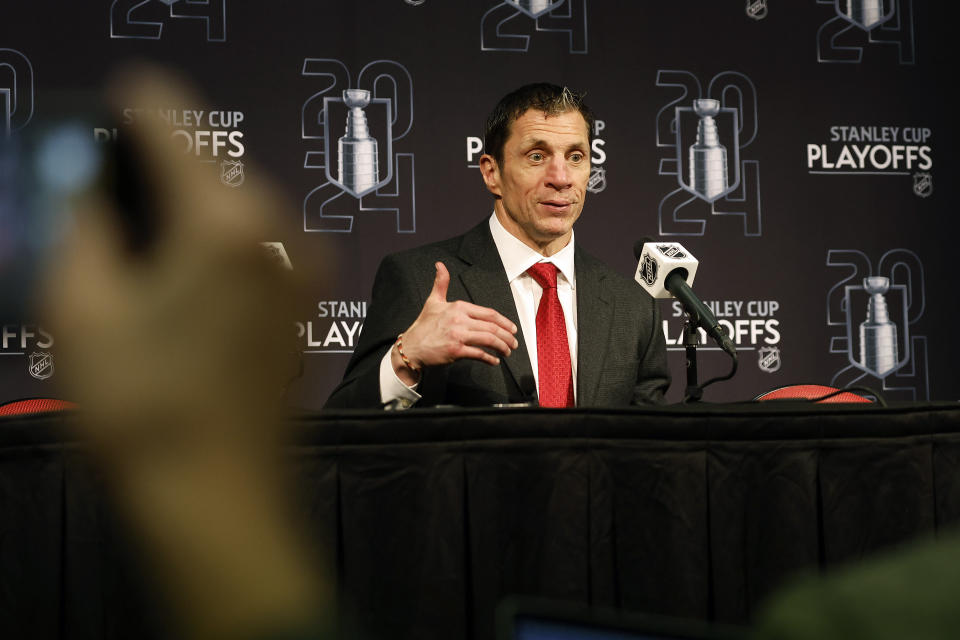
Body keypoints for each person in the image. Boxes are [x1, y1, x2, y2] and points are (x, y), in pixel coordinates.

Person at [325, 83, 670, 410]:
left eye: (576, 156)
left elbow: (653, 451)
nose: (561, 178)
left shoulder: (635, 308)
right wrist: (407, 358)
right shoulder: (417, 280)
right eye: (537, 156)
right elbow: (341, 429)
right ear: (492, 173)